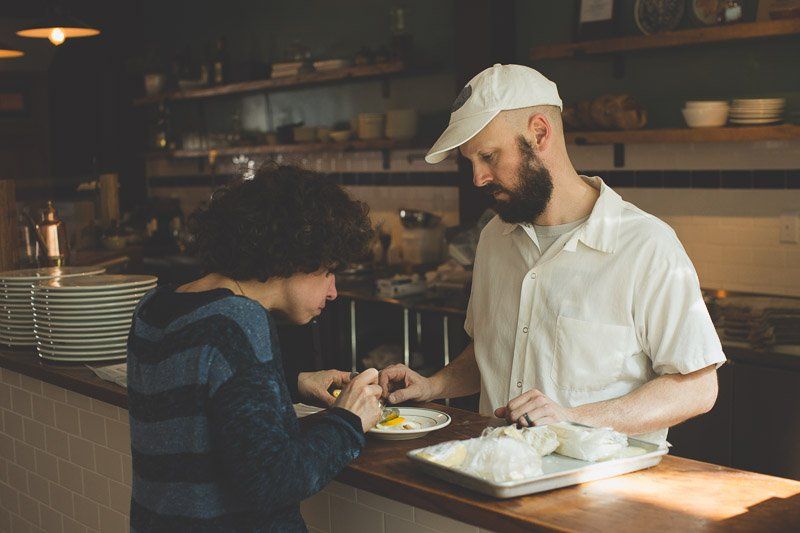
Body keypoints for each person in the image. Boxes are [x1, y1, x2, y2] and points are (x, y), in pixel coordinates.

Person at [379, 64, 725, 444]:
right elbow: (492, 353)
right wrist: (432, 385)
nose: (478, 178)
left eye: (489, 157)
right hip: (497, 472)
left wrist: (571, 419)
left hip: (601, 492)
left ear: (540, 133)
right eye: (471, 162)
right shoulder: (495, 238)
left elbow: (697, 387)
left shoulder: (646, 245)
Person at [127, 164, 383, 531]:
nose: (333, 290)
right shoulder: (238, 320)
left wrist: (289, 384)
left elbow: (197, 400)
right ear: (296, 255)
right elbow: (274, 482)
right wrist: (349, 421)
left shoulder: (153, 307)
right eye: (328, 270)